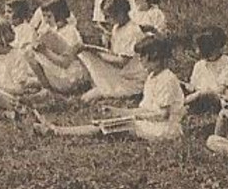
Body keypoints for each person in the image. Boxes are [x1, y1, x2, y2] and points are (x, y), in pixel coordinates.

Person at [42, 34, 184, 141]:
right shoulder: (152, 77)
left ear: (153, 56)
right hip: (151, 123)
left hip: (165, 129)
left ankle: (58, 131)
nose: (140, 61)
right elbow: (146, 109)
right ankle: (57, 130)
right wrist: (118, 111)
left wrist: (128, 116)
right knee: (106, 124)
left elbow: (162, 115)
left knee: (108, 127)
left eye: (142, 57)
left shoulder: (167, 79)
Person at [77, 0, 147, 101]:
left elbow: (121, 62)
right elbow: (114, 53)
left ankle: (106, 88)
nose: (105, 19)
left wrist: (98, 53)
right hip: (122, 73)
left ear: (120, 14)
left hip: (132, 80)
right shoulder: (116, 28)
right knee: (84, 53)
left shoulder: (132, 31)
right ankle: (100, 85)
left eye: (108, 16)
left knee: (86, 98)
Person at [184, 26, 228, 115]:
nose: (198, 51)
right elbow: (193, 87)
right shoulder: (199, 65)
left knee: (206, 94)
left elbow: (219, 91)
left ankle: (184, 105)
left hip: (219, 101)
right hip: (198, 98)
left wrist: (199, 94)